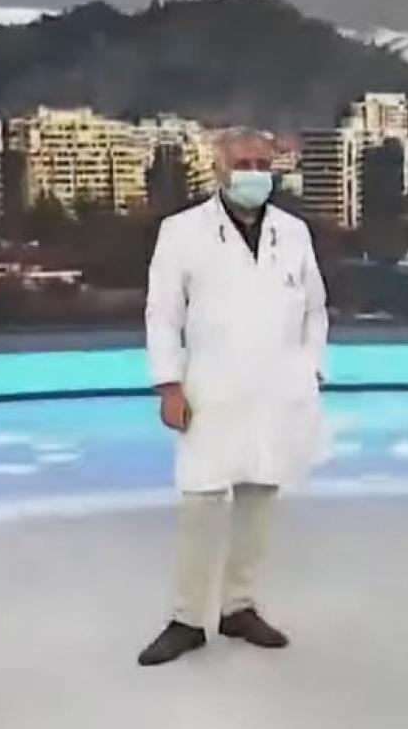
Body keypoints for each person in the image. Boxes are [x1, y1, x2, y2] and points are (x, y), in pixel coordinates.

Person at [137, 127, 330, 667]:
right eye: (243, 163)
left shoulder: (294, 233)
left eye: (263, 164)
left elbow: (316, 308)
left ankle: (239, 608)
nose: (254, 173)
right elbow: (162, 314)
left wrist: (311, 369)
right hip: (210, 389)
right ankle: (186, 619)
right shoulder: (182, 232)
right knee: (201, 501)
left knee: (259, 496)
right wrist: (169, 384)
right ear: (219, 169)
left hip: (276, 389)